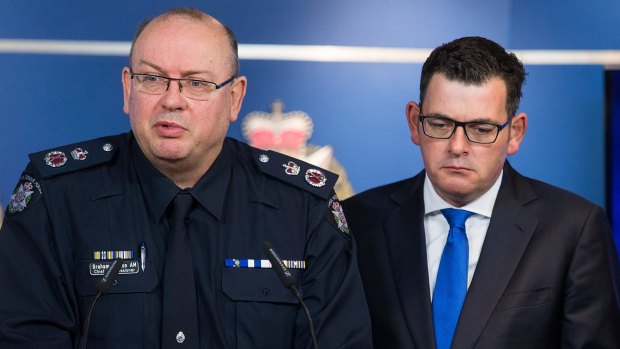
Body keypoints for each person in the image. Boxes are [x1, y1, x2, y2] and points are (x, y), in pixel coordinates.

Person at [0, 8, 372, 348]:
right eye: (152, 78)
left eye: (196, 83)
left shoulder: (303, 206)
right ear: (128, 88)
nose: (172, 100)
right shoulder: (56, 195)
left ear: (235, 98)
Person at [343, 36, 620, 348]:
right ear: (413, 122)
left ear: (515, 133)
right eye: (440, 123)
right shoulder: (355, 223)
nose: (457, 147)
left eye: (481, 130)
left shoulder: (574, 229)